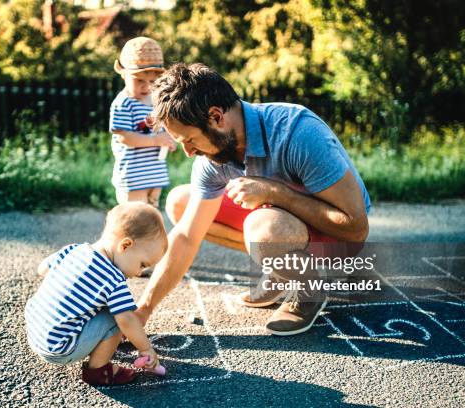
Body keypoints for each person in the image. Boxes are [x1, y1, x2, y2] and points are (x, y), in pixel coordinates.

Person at [135, 63, 371, 336]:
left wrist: (275, 192)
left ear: (216, 117)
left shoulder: (298, 133)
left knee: (263, 229)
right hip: (281, 222)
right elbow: (187, 237)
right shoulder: (213, 154)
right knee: (181, 201)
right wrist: (143, 310)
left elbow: (355, 228)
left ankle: (308, 288)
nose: (188, 152)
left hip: (336, 238)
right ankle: (280, 267)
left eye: (189, 140)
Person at [24, 202, 168, 386]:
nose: (139, 273)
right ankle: (98, 371)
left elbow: (42, 269)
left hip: (36, 331)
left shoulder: (74, 249)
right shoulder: (113, 279)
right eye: (142, 264)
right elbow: (127, 320)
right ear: (125, 245)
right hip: (60, 348)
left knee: (108, 308)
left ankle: (98, 342)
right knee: (117, 318)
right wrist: (146, 348)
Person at [109, 36, 176, 208]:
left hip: (154, 173)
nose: (147, 87)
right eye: (139, 81)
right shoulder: (124, 103)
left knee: (151, 215)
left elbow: (163, 128)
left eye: (153, 82)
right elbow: (125, 138)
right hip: (133, 177)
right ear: (124, 74)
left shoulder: (155, 102)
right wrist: (155, 140)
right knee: (136, 218)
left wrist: (168, 140)